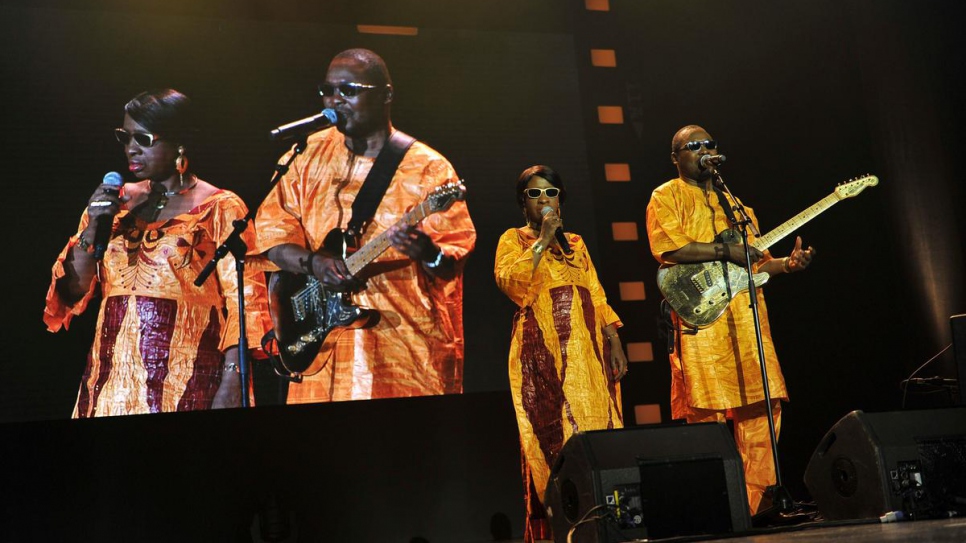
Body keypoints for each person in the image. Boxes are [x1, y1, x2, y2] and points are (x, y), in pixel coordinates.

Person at [253, 49, 476, 402]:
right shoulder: (305, 154)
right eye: (328, 91)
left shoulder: (428, 168)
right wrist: (315, 264)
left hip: (401, 351)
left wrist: (428, 252)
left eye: (349, 90)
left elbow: (453, 256)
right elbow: (271, 233)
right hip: (322, 356)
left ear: (386, 94)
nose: (335, 100)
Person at [44, 89, 272, 417]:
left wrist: (232, 384)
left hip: (190, 385)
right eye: (125, 136)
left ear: (179, 143)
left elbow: (245, 306)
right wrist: (93, 226)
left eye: (143, 138)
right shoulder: (112, 205)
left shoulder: (221, 208)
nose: (130, 148)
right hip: (110, 386)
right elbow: (72, 291)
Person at [645, 125, 815, 514]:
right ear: (676, 158)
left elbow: (756, 265)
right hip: (702, 319)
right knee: (708, 413)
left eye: (710, 144)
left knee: (764, 404)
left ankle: (761, 503)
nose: (704, 150)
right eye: (693, 146)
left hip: (746, 316)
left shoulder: (737, 207)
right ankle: (721, 506)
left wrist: (786, 265)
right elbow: (669, 249)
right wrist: (726, 251)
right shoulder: (666, 196)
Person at [495, 165, 627, 542]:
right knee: (555, 439)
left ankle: (606, 523)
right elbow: (511, 283)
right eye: (534, 195)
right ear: (524, 203)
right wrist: (542, 241)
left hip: (588, 353)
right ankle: (565, 529)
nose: (544, 201)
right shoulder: (513, 240)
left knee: (598, 430)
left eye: (550, 193)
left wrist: (614, 340)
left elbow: (595, 293)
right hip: (541, 354)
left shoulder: (578, 244)